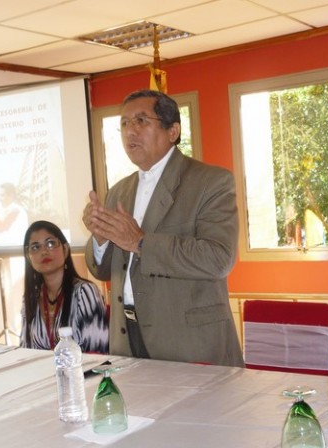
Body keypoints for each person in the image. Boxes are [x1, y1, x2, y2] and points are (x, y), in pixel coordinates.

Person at [82, 89, 243, 367]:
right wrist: (100, 238)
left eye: (141, 120)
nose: (130, 131)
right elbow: (103, 271)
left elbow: (219, 258)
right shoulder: (119, 191)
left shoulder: (210, 182)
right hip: (127, 340)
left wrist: (141, 242)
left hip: (187, 343)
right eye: (124, 123)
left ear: (173, 131)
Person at [20, 220, 108, 353]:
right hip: (41, 366)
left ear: (65, 249)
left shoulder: (85, 292)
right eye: (35, 247)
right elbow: (24, 350)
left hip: (82, 366)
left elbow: (98, 351)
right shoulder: (32, 297)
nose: (43, 251)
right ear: (28, 256)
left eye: (50, 243)